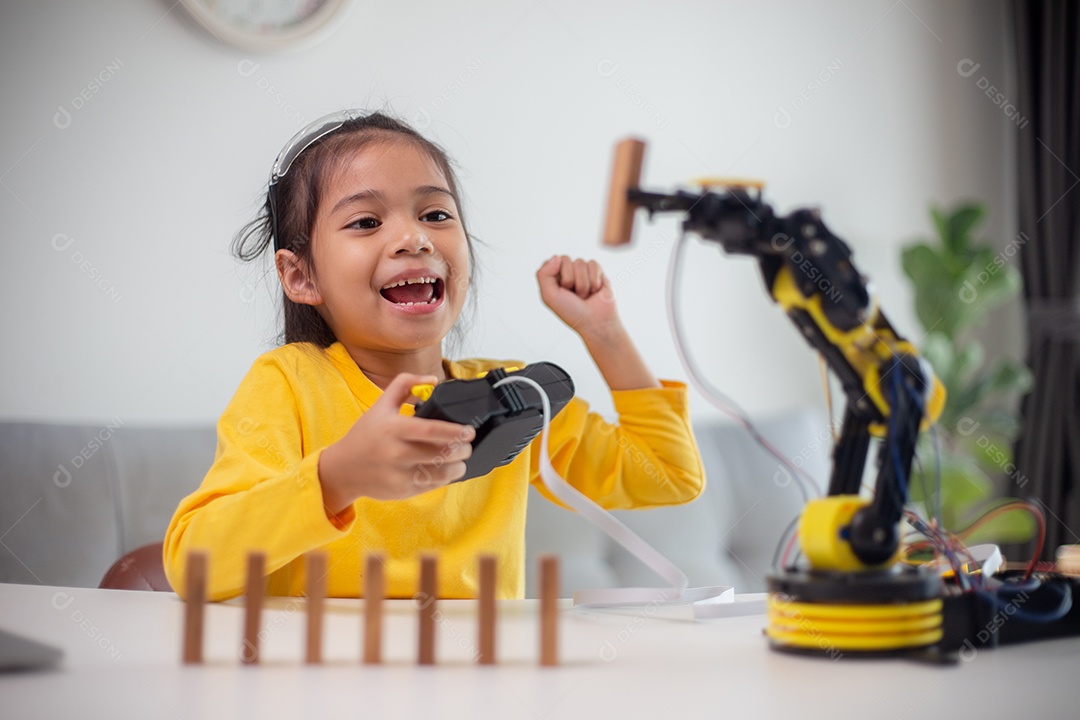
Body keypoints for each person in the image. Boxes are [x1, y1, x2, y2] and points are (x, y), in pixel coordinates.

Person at [163, 110, 705, 601]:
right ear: (300, 275)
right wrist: (337, 477)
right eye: (366, 222)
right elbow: (195, 568)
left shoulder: (513, 396)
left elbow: (669, 474)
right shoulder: (288, 384)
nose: (413, 237)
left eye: (436, 214)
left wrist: (603, 332)